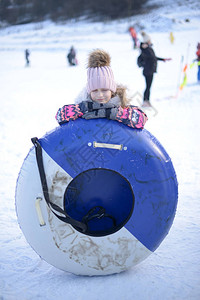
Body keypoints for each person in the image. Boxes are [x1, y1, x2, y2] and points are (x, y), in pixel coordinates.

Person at [56, 49, 147, 129]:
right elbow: (60, 116)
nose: (100, 95)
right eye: (95, 91)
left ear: (111, 90)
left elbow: (141, 119)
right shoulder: (83, 105)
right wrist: (81, 109)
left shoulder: (121, 105)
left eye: (104, 90)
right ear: (89, 91)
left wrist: (116, 113)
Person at [139, 32, 171, 107]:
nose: (150, 41)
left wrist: (163, 59)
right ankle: (145, 101)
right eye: (149, 40)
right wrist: (143, 46)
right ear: (146, 41)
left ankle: (147, 100)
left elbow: (154, 57)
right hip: (148, 71)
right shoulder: (145, 50)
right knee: (148, 86)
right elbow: (148, 56)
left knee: (149, 86)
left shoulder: (149, 49)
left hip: (150, 70)